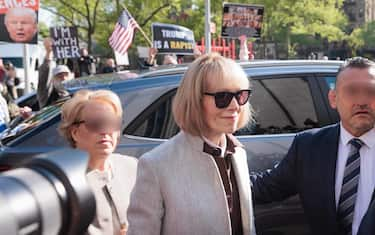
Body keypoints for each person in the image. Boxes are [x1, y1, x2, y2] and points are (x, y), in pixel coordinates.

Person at [127, 53, 256, 235]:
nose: (235, 106)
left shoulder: (237, 153)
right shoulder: (156, 164)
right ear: (195, 100)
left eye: (241, 95)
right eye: (223, 97)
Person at [251, 57, 375, 235]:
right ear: (333, 99)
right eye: (351, 91)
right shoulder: (309, 147)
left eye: (371, 91)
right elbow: (265, 187)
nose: (362, 100)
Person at [59, 89, 137, 235]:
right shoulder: (63, 184)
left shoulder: (132, 167)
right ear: (74, 132)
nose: (106, 131)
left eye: (113, 123)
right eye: (95, 124)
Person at [37, 38, 72, 109]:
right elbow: (45, 75)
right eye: (59, 75)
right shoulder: (48, 95)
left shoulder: (75, 95)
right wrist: (48, 52)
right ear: (53, 79)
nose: (63, 78)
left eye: (66, 75)